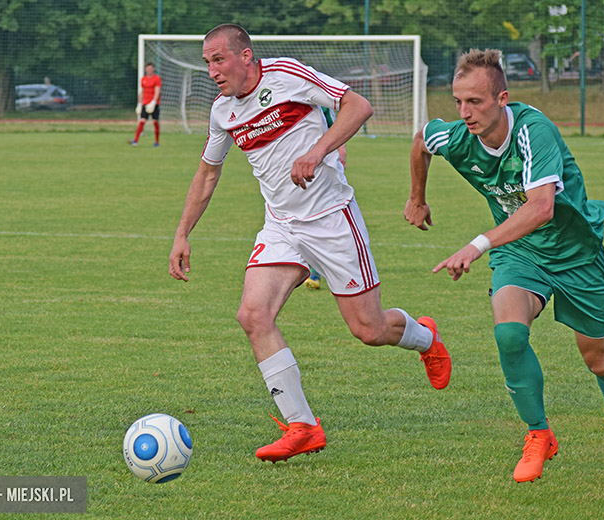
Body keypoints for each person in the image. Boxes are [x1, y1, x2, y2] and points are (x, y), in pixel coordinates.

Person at [169, 24, 451, 463]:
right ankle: (302, 426)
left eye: (218, 59)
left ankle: (426, 339)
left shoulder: (286, 74)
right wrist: (183, 233)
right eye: (207, 63)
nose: (212, 71)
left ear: (246, 56)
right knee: (252, 314)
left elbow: (358, 107)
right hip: (282, 226)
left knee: (368, 330)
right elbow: (208, 173)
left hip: (331, 219)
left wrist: (317, 151)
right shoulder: (223, 111)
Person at [404, 49, 604, 484]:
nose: (465, 112)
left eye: (475, 102)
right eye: (458, 101)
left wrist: (477, 245)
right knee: (510, 332)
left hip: (576, 255)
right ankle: (539, 435)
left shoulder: (534, 132)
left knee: (600, 361)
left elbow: (541, 209)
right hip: (521, 252)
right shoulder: (457, 136)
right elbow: (421, 140)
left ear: (502, 98)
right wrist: (417, 197)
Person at [304, 108, 347, 292]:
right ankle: (313, 269)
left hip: (321, 165)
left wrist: (341, 148)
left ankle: (315, 272)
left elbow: (334, 122)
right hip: (293, 166)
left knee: (321, 216)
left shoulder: (315, 95)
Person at [129, 62, 161, 147]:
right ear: (146, 69)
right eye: (148, 69)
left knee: (155, 122)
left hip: (154, 105)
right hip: (145, 104)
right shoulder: (143, 79)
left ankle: (157, 142)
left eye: (151, 69)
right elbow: (142, 92)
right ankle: (135, 140)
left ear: (153, 69)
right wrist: (139, 104)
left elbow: (157, 91)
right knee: (142, 122)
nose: (149, 70)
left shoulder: (157, 79)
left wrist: (153, 102)